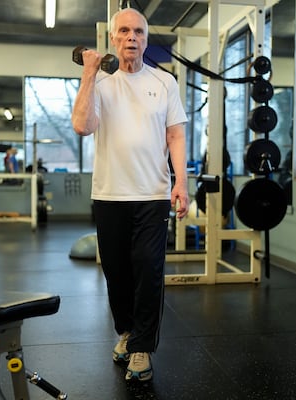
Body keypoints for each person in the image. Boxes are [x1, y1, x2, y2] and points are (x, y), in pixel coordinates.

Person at [71, 7, 188, 383]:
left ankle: (141, 348)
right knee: (116, 272)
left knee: (149, 270)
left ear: (146, 39)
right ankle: (125, 332)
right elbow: (82, 125)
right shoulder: (101, 85)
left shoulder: (165, 83)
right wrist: (89, 72)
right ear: (113, 39)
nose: (132, 37)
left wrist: (181, 183)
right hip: (109, 194)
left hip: (152, 194)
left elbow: (175, 135)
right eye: (124, 31)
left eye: (138, 31)